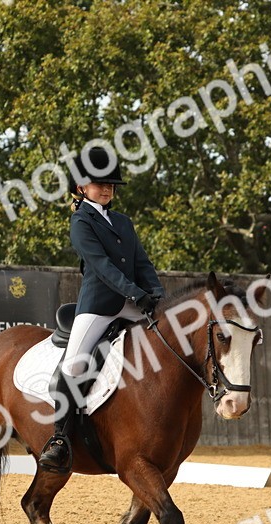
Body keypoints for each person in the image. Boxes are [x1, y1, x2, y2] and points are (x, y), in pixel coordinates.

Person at [38, 145, 165, 473]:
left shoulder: (124, 222)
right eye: (100, 183)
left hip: (134, 303)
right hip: (99, 307)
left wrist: (156, 294)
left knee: (168, 340)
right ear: (81, 187)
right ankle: (60, 438)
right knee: (75, 364)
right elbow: (102, 266)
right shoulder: (81, 221)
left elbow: (142, 262)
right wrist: (135, 294)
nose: (107, 189)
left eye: (111, 185)